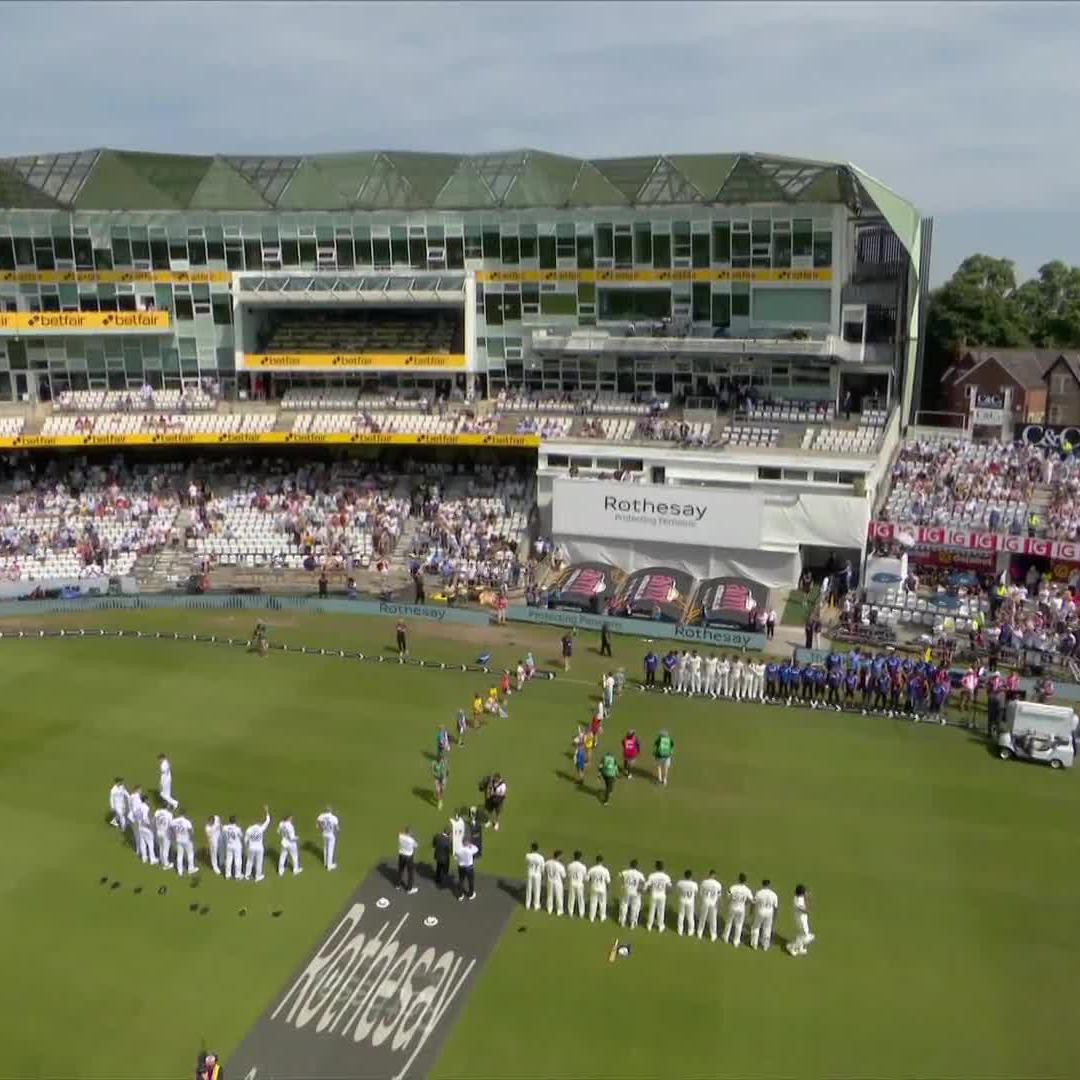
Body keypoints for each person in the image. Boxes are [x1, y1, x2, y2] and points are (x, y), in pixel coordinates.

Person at [723, 872, 754, 947]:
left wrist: (731, 900)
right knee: (739, 925)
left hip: (733, 906)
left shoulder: (733, 887)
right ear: (745, 881)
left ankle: (725, 937)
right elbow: (752, 900)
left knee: (729, 922)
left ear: (738, 879)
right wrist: (746, 903)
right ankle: (736, 941)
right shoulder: (747, 890)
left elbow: (728, 895)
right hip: (741, 908)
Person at [750, 878, 780, 950]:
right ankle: (765, 945)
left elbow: (753, 903)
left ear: (762, 884)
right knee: (767, 928)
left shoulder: (759, 893)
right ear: (769, 884)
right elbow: (776, 907)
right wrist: (775, 916)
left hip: (760, 911)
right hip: (769, 912)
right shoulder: (774, 894)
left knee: (756, 927)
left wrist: (751, 911)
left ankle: (754, 944)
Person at [244, 807, 271, 882]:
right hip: (259, 848)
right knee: (259, 862)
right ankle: (257, 876)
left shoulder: (249, 829)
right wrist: (267, 811)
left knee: (249, 861)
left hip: (251, 848)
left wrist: (246, 847)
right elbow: (268, 821)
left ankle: (247, 875)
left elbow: (245, 840)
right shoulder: (260, 829)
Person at [787, 884, 815, 956]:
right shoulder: (798, 901)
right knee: (805, 936)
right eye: (804, 891)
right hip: (801, 920)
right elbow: (807, 911)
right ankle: (791, 947)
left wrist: (806, 897)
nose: (806, 892)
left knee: (801, 934)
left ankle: (800, 948)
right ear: (801, 893)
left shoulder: (799, 897)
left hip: (803, 919)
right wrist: (807, 898)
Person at [645, 860, 672, 932]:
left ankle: (649, 926)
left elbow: (647, 885)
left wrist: (647, 891)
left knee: (652, 910)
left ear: (656, 867)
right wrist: (666, 893)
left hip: (654, 894)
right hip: (662, 895)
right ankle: (660, 926)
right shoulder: (666, 876)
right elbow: (669, 887)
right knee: (661, 911)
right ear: (663, 867)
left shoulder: (652, 875)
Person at [619, 859, 646, 928]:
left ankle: (622, 922)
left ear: (630, 865)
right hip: (635, 892)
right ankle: (632, 924)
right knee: (634, 908)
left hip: (626, 891)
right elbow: (642, 883)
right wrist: (640, 890)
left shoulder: (626, 872)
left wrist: (623, 885)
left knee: (624, 905)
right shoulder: (639, 874)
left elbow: (620, 876)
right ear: (637, 866)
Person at [697, 870, 723, 942]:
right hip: (713, 903)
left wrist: (704, 899)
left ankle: (699, 932)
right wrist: (719, 903)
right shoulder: (718, 884)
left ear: (709, 874)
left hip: (705, 902)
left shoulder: (704, 882)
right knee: (713, 919)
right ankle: (713, 935)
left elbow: (701, 893)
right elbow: (719, 896)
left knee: (702, 917)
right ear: (714, 875)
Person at [133, 792, 157, 865]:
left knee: (142, 843)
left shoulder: (138, 807)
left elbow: (135, 815)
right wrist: (149, 825)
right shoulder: (146, 807)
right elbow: (145, 818)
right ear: (145, 800)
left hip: (140, 827)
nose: (149, 801)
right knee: (150, 843)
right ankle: (152, 859)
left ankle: (144, 858)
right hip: (145, 827)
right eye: (148, 800)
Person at [172, 809, 196, 876]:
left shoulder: (174, 821)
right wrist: (192, 837)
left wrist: (174, 834)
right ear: (184, 814)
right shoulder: (187, 822)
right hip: (186, 840)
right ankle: (190, 869)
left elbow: (171, 827)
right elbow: (191, 831)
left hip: (178, 840)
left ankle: (180, 871)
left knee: (179, 855)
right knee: (190, 854)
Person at [587, 855, 611, 922]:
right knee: (602, 903)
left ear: (596, 860)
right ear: (602, 861)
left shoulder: (592, 869)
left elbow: (587, 879)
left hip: (594, 887)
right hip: (602, 888)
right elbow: (608, 881)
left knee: (593, 902)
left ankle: (591, 917)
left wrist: (592, 880)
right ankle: (602, 917)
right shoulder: (605, 870)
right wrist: (608, 888)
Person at [675, 869, 699, 936]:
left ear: (684, 875)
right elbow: (696, 893)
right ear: (691, 876)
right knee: (690, 916)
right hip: (690, 902)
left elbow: (678, 890)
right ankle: (690, 931)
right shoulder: (694, 884)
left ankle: (680, 930)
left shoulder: (680, 883)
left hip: (682, 900)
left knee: (681, 915)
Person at [455, 835, 478, 901]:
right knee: (470, 881)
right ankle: (471, 894)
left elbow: (456, 856)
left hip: (461, 867)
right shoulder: (470, 850)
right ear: (467, 843)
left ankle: (460, 895)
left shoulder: (458, 850)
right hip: (469, 868)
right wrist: (471, 845)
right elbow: (476, 849)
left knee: (461, 880)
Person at [544, 848, 566, 915]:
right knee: (559, 896)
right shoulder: (560, 866)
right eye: (561, 856)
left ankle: (549, 909)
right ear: (559, 856)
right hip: (557, 882)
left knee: (549, 895)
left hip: (549, 881)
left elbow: (545, 870)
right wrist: (563, 883)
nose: (562, 857)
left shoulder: (547, 862)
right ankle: (559, 910)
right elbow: (563, 876)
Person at [153, 802, 174, 871]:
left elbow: (154, 820)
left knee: (161, 847)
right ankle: (166, 864)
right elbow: (171, 825)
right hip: (165, 833)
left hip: (158, 831)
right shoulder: (169, 814)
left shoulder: (157, 812)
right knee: (166, 849)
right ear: (167, 807)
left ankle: (162, 860)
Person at [397, 826, 419, 893]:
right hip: (409, 857)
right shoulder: (411, 840)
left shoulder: (400, 836)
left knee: (400, 870)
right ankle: (409, 889)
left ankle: (398, 885)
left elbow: (399, 834)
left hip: (401, 855)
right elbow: (416, 846)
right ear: (410, 833)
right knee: (410, 873)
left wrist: (404, 834)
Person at [567, 851, 588, 918]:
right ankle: (581, 913)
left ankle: (570, 912)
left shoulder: (570, 865)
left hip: (572, 883)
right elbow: (585, 877)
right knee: (581, 899)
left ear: (574, 856)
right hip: (579, 884)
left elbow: (568, 875)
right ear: (580, 857)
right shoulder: (583, 866)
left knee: (571, 898)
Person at [222, 815, 244, 880]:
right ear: (235, 821)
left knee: (228, 860)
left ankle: (227, 875)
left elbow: (223, 830)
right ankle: (237, 876)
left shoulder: (225, 827)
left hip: (229, 845)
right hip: (236, 846)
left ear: (229, 821)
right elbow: (241, 836)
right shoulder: (238, 829)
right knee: (238, 860)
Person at [525, 841, 545, 910]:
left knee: (529, 888)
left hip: (530, 873)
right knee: (537, 889)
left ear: (531, 848)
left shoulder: (527, 855)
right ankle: (536, 905)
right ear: (538, 849)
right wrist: (543, 875)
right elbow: (543, 868)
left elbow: (527, 863)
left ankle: (527, 904)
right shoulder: (541, 857)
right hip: (537, 874)